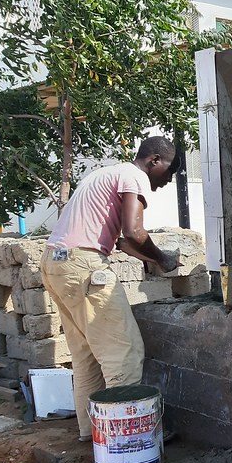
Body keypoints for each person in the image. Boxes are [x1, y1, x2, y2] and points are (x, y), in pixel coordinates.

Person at [41, 136, 181, 442]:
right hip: (83, 266)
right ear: (154, 160)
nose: (167, 181)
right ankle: (125, 441)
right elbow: (134, 230)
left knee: (86, 357)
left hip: (56, 263)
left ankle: (91, 437)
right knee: (125, 352)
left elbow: (121, 241)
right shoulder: (135, 176)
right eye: (168, 172)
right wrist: (162, 257)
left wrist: (149, 258)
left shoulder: (105, 174)